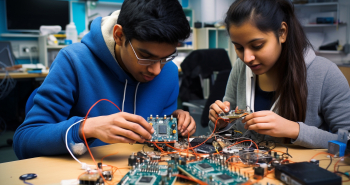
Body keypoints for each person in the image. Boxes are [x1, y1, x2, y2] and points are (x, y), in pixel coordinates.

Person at [14, 0, 196, 159]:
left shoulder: (169, 72)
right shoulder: (74, 61)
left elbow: (158, 142)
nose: (156, 70)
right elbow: (25, 141)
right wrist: (86, 128)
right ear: (119, 35)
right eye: (145, 56)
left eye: (166, 58)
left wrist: (175, 124)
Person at [209, 0, 350, 149]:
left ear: (282, 32)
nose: (247, 58)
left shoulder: (325, 73)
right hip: (245, 169)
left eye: (257, 46)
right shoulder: (240, 68)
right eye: (239, 47)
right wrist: (220, 123)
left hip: (297, 171)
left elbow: (347, 141)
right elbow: (226, 133)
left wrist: (294, 130)